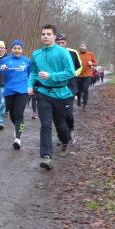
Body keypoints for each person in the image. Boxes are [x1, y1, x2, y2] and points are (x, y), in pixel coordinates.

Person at [27, 24, 75, 170]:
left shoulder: (63, 52)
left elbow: (71, 72)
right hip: (43, 93)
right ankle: (46, 157)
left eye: (48, 34)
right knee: (46, 124)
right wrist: (30, 85)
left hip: (61, 94)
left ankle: (65, 141)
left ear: (54, 36)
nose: (45, 36)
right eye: (43, 34)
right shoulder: (36, 54)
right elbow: (33, 72)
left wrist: (51, 76)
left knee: (60, 124)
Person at [0, 39, 31, 149]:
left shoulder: (27, 61)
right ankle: (18, 128)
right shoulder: (5, 60)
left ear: (22, 50)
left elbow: (31, 75)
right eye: (15, 48)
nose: (17, 50)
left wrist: (31, 87)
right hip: (9, 91)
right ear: (11, 49)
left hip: (23, 91)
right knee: (12, 115)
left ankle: (18, 138)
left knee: (19, 113)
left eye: (19, 48)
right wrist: (1, 69)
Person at [55, 34, 82, 141]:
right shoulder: (51, 53)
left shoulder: (73, 52)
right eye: (58, 43)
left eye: (62, 42)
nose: (61, 45)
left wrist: (71, 74)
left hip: (70, 87)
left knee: (68, 113)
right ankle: (62, 136)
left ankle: (71, 130)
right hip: (56, 87)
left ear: (66, 42)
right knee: (58, 114)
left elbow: (80, 67)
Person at [76, 43, 97, 109]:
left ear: (86, 48)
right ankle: (78, 100)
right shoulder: (77, 54)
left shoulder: (90, 54)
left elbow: (95, 63)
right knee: (78, 90)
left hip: (87, 75)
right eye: (81, 46)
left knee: (85, 89)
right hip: (78, 75)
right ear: (79, 47)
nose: (82, 47)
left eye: (84, 46)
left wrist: (92, 63)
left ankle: (84, 104)